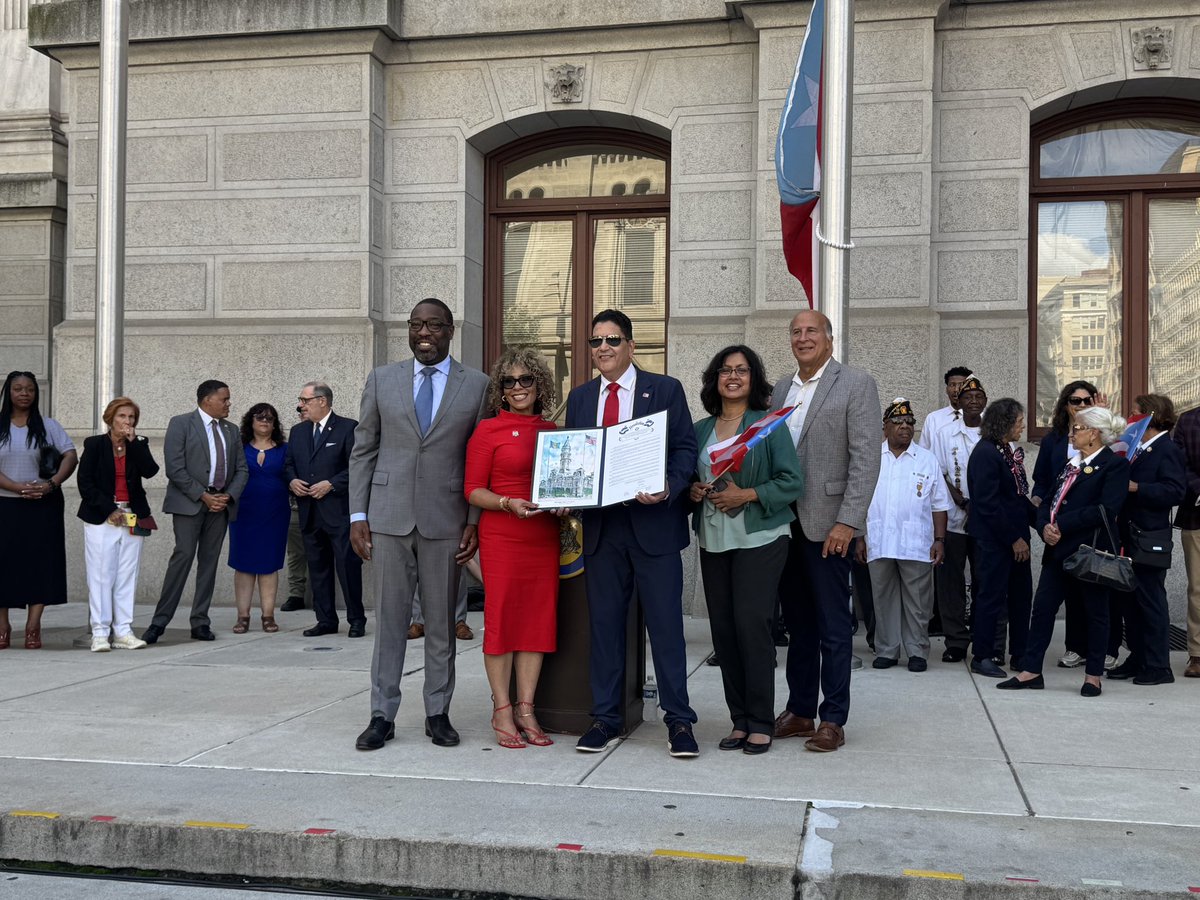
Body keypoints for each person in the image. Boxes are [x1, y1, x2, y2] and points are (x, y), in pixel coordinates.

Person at [349, 298, 489, 751]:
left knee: (441, 623)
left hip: (446, 520)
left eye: (433, 325)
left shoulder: (478, 386)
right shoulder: (382, 379)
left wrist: (473, 519)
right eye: (416, 325)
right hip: (387, 518)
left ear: (451, 331)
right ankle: (381, 714)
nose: (423, 332)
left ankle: (437, 712)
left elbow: (478, 458)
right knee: (389, 622)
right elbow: (364, 450)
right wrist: (358, 514)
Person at [565, 309, 700, 758]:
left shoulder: (664, 389)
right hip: (603, 529)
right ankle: (606, 718)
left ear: (631, 346)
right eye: (596, 341)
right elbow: (575, 458)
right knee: (604, 629)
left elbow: (685, 449)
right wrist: (566, 492)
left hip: (653, 526)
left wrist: (668, 486)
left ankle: (679, 721)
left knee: (665, 628)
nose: (603, 348)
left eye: (613, 340)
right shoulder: (581, 397)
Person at [771, 310, 880, 753]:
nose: (802, 337)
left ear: (829, 340)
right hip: (784, 525)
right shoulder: (782, 388)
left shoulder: (856, 384)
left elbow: (866, 458)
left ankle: (832, 717)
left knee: (834, 627)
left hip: (829, 525)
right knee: (798, 626)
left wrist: (848, 522)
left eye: (811, 331)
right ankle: (800, 711)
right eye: (795, 331)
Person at [690, 345, 804, 755]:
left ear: (753, 379)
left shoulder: (767, 426)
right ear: (714, 379)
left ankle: (761, 721)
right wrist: (693, 489)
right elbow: (688, 479)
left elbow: (792, 482)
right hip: (714, 540)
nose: (733, 376)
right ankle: (739, 720)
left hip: (761, 538)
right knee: (724, 631)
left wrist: (748, 494)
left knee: (752, 625)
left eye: (742, 370)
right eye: (725, 370)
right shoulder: (700, 430)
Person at [464, 347, 561, 749]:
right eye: (510, 381)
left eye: (526, 380)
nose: (518, 388)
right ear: (500, 391)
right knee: (503, 621)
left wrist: (564, 502)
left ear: (540, 387)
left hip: (543, 537)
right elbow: (472, 489)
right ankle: (501, 708)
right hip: (503, 534)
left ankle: (526, 708)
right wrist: (506, 503)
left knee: (536, 623)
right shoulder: (488, 430)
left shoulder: (555, 434)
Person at [1000, 406, 1131, 697]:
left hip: (1089, 552)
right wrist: (1044, 524)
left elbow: (1106, 509)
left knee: (1096, 613)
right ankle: (1032, 670)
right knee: (1043, 609)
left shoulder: (1114, 466)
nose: (1071, 433)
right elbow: (1049, 498)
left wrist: (1062, 524)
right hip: (1057, 551)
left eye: (1077, 429)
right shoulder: (1070, 463)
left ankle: (1093, 675)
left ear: (1094, 434)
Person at [143, 380, 248, 644]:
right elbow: (174, 467)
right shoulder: (181, 423)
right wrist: (203, 496)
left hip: (220, 505)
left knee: (209, 563)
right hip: (190, 503)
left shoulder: (231, 430)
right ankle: (159, 621)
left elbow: (242, 469)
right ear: (207, 400)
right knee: (183, 557)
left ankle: (200, 621)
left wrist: (227, 496)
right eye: (224, 399)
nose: (228, 404)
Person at [858, 399, 949, 672]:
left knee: (919, 604)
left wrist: (940, 540)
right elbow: (858, 500)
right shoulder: (871, 458)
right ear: (884, 428)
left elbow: (939, 504)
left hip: (916, 543)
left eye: (910, 423)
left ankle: (917, 652)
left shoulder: (927, 459)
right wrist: (859, 538)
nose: (905, 427)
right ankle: (886, 650)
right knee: (883, 601)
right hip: (879, 541)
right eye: (898, 423)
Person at [1109, 395, 1186, 686]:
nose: (1130, 418)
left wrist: (1137, 487)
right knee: (1131, 599)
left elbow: (1175, 491)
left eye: (1134, 413)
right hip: (1130, 534)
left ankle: (1158, 665)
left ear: (1149, 418)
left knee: (1151, 600)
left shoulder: (1167, 449)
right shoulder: (1139, 449)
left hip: (1149, 536)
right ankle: (1138, 656)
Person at [0, 371, 78, 649]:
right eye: (18, 388)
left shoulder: (48, 425)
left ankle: (34, 625)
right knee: (4, 564)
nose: (24, 393)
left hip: (43, 505)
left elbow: (70, 455)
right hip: (5, 504)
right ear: (8, 392)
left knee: (41, 564)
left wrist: (51, 484)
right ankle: (3, 626)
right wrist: (15, 486)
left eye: (30, 389)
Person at [1032, 380, 1105, 669]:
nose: (1082, 406)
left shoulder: (1105, 439)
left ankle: (1100, 654)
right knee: (1062, 593)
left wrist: (1104, 420)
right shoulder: (1054, 440)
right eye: (1077, 401)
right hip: (1057, 530)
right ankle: (1074, 647)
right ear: (1066, 405)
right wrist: (1040, 510)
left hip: (1091, 528)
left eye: (1088, 401)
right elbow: (1043, 480)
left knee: (1094, 594)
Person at [76, 397, 158, 651]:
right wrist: (109, 509)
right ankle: (100, 632)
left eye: (132, 417)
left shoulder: (138, 444)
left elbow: (151, 471)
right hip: (103, 516)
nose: (128, 422)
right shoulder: (95, 445)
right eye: (123, 416)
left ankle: (123, 631)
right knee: (101, 575)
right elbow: (85, 483)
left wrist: (133, 444)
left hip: (132, 514)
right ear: (110, 418)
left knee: (127, 575)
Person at [287, 382, 364, 639]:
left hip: (338, 513)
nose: (301, 405)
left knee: (347, 567)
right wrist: (292, 481)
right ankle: (325, 619)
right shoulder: (298, 432)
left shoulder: (347, 427)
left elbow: (357, 467)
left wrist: (331, 484)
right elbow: (288, 464)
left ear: (322, 401)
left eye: (305, 400)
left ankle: (356, 619)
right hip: (309, 512)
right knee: (318, 570)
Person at [965, 398, 1034, 678]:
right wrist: (1013, 539)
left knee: (1020, 597)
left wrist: (1044, 521)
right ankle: (982, 655)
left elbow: (1018, 499)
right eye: (1019, 421)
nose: (1023, 426)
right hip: (996, 542)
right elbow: (987, 504)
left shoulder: (1005, 451)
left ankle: (1020, 653)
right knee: (990, 598)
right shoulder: (985, 454)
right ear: (1004, 423)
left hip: (1017, 539)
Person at [927, 375, 986, 662]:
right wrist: (962, 501)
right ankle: (956, 641)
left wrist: (981, 504)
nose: (973, 402)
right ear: (958, 404)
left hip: (986, 520)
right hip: (953, 517)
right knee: (950, 584)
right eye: (967, 398)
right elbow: (938, 472)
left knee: (983, 580)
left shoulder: (994, 432)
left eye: (978, 397)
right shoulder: (944, 433)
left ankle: (984, 638)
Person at [227, 403, 290, 634]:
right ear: (250, 422)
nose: (265, 421)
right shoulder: (239, 448)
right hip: (243, 513)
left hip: (275, 513)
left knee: (269, 565)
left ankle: (268, 616)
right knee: (243, 565)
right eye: (260, 417)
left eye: (270, 418)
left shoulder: (285, 449)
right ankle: (243, 617)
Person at [1175, 403, 1200, 678]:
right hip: (1197, 516)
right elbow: (1179, 464)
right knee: (1198, 588)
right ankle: (1197, 655)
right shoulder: (1188, 420)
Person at [917, 366, 972, 449]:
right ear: (946, 389)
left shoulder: (980, 418)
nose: (956, 390)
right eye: (952, 385)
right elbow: (923, 451)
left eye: (961, 385)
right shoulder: (933, 419)